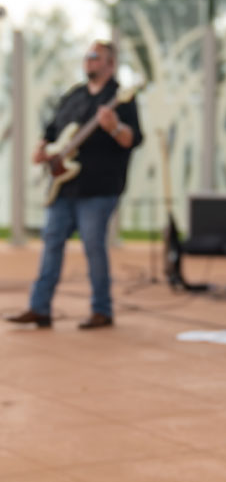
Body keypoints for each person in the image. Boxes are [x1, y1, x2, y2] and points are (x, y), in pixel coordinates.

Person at [6, 40, 143, 329]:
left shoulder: (122, 99)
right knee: (51, 243)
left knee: (94, 246)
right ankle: (40, 308)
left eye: (95, 57)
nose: (89, 61)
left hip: (100, 187)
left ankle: (102, 310)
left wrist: (114, 127)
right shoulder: (75, 95)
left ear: (110, 64)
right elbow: (53, 129)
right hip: (64, 185)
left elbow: (133, 140)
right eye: (87, 57)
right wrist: (43, 149)